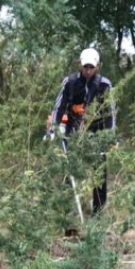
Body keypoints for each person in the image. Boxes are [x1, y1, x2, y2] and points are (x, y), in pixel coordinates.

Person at [46, 47, 116, 222]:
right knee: (69, 169)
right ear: (80, 65)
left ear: (97, 66)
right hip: (74, 131)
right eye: (85, 67)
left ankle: (98, 213)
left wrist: (109, 136)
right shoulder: (69, 83)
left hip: (97, 131)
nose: (88, 70)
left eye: (91, 67)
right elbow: (58, 107)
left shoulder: (104, 85)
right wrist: (53, 129)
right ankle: (67, 209)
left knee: (99, 171)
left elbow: (110, 113)